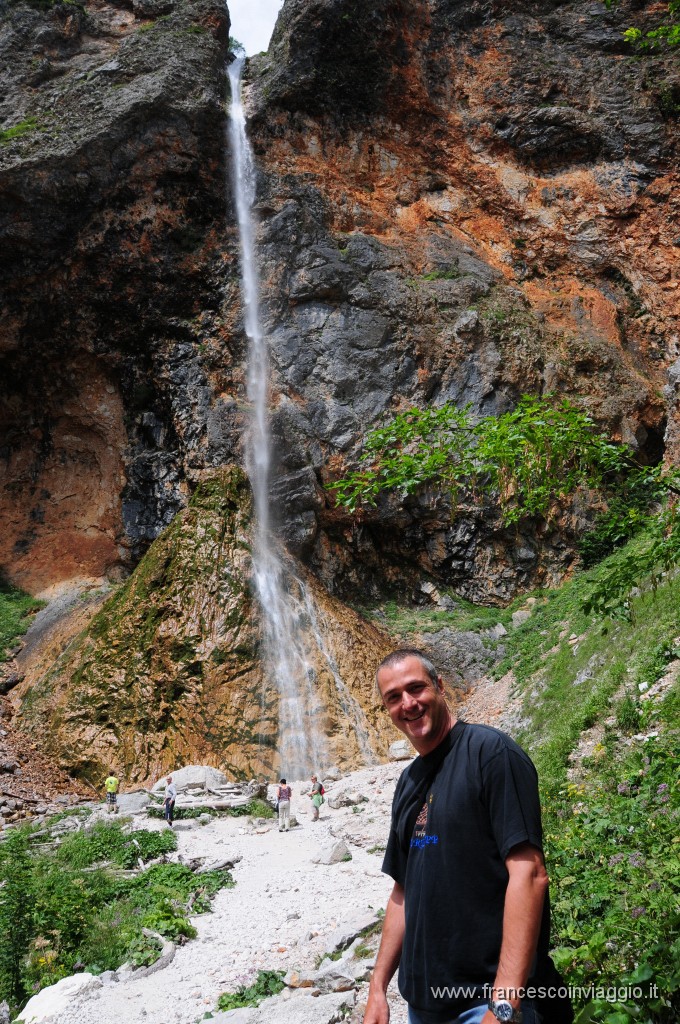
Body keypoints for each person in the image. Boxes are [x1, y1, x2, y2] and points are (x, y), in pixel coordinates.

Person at [364, 648, 573, 1024]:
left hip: (485, 1003)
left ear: (440, 687)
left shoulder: (491, 754)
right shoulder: (408, 782)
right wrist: (378, 987)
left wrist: (504, 1005)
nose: (407, 704)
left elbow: (530, 874)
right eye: (393, 697)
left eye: (416, 688)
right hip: (424, 1007)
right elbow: (402, 891)